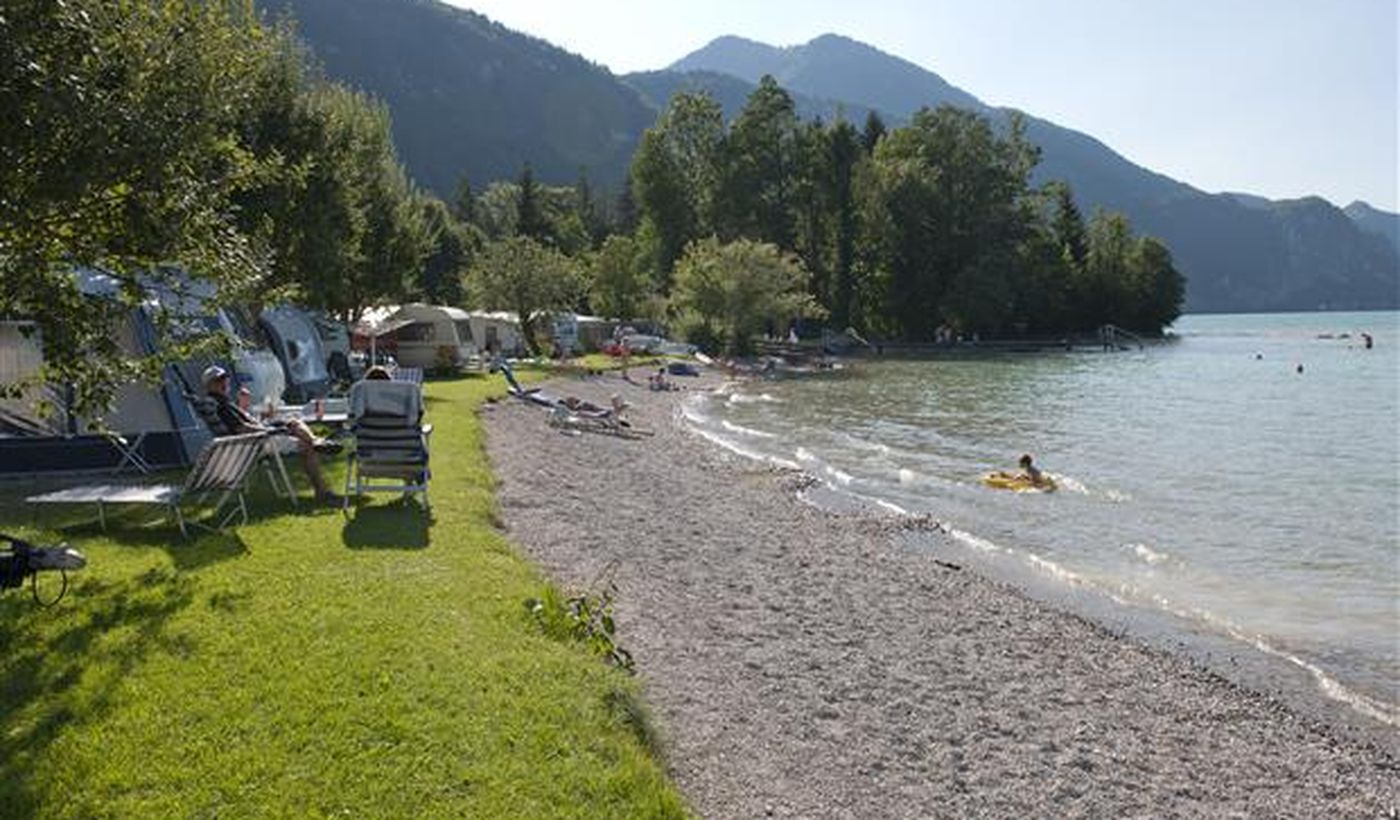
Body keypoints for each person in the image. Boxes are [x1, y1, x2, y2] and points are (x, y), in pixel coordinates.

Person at [202, 365, 339, 503]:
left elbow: (239, 424)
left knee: (292, 421)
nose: (224, 383)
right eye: (218, 381)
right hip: (254, 443)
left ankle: (316, 441)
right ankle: (321, 489)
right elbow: (241, 429)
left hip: (253, 439)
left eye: (225, 379)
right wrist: (269, 430)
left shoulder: (222, 402)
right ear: (209, 385)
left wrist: (246, 409)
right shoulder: (220, 405)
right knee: (305, 445)